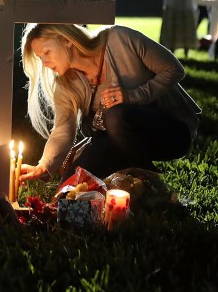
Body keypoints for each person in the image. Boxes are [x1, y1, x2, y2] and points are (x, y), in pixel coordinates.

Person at [17, 23, 201, 185]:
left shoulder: (119, 39)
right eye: (41, 58)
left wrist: (131, 96)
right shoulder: (66, 84)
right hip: (121, 142)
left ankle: (150, 180)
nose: (45, 63)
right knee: (72, 181)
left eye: (47, 52)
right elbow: (63, 129)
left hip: (172, 132)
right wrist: (44, 165)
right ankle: (125, 181)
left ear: (67, 40)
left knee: (114, 116)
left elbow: (174, 69)